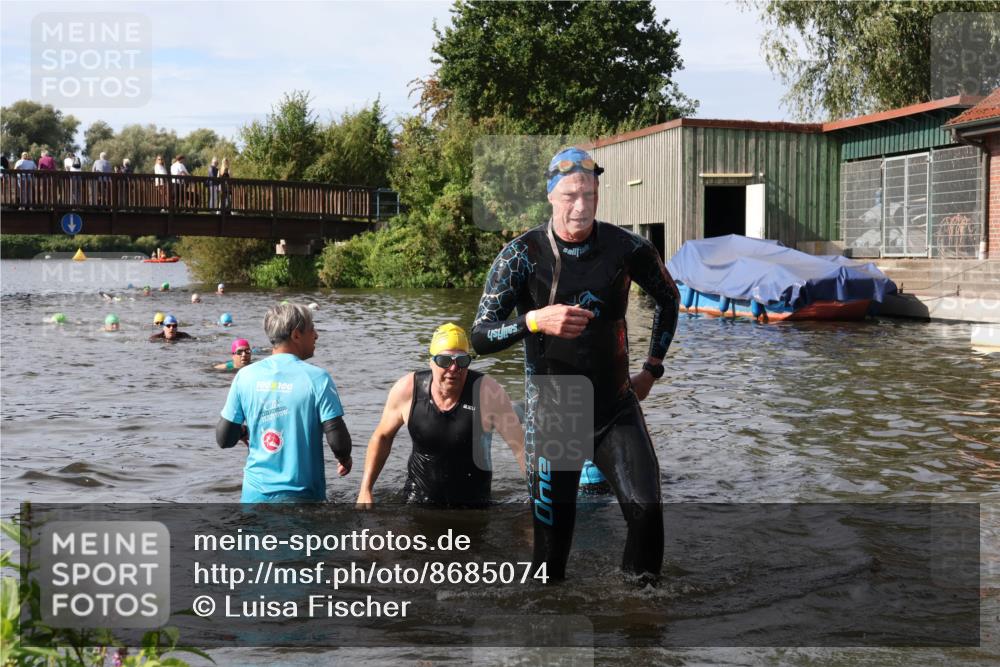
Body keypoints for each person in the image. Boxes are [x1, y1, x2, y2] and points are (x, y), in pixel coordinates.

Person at [470, 147, 680, 585]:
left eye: (589, 194)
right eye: (570, 195)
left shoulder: (626, 248)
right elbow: (479, 336)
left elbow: (668, 298)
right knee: (552, 551)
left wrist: (651, 368)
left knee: (647, 512)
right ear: (551, 196)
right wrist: (533, 321)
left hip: (615, 406)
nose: (580, 206)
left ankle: (639, 618)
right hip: (555, 413)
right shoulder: (521, 255)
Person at [356, 323, 525, 508]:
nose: (453, 369)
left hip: (474, 504)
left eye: (461, 361)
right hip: (417, 499)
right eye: (445, 361)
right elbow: (382, 436)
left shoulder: (488, 392)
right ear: (431, 362)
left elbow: (521, 447)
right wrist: (365, 490)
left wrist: (540, 500)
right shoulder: (407, 390)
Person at [216, 303, 352, 503]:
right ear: (296, 335)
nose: (316, 335)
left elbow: (224, 438)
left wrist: (243, 432)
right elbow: (338, 440)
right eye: (312, 329)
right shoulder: (318, 378)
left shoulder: (245, 376)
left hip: (254, 498)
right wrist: (344, 458)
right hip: (303, 499)